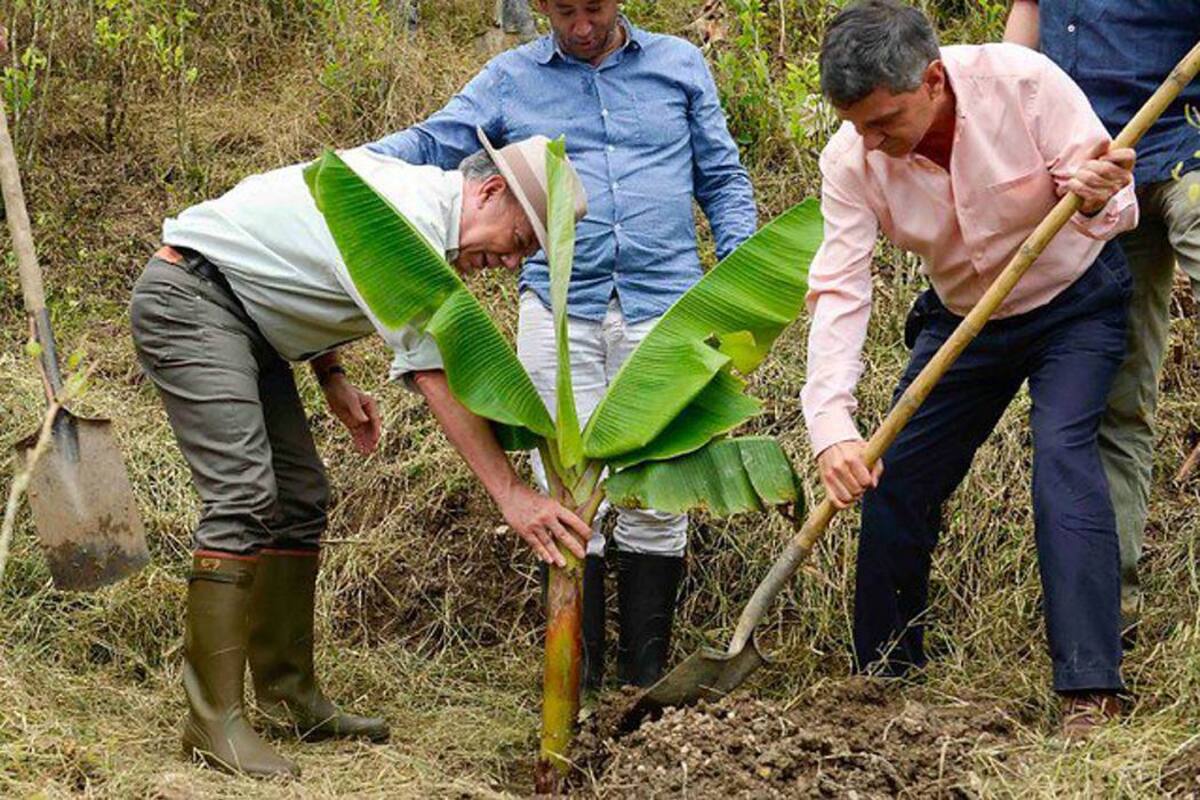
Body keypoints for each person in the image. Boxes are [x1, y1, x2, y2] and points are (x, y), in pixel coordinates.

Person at [130, 133, 591, 777]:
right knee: (241, 495)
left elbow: (302, 255)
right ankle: (211, 722)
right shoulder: (407, 214)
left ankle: (289, 697)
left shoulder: (414, 209)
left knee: (300, 497)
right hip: (192, 299)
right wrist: (511, 494)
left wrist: (331, 374)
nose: (512, 263)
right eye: (518, 242)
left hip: (248, 323)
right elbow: (433, 374)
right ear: (489, 190)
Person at [368, 0, 756, 692]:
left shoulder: (679, 65)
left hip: (666, 307)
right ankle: (578, 687)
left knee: (657, 501)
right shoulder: (511, 78)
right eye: (564, 10)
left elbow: (721, 180)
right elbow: (434, 141)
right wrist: (347, 176)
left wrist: (741, 284)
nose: (581, 25)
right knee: (567, 503)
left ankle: (644, 684)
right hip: (558, 310)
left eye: (595, 8)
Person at [802, 0, 1137, 736]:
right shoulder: (850, 158)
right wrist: (832, 426)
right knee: (893, 478)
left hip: (1073, 299)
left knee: (1061, 458)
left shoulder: (1023, 82)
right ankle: (883, 680)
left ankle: (1090, 688)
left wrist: (1095, 198)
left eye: (885, 121)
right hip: (965, 317)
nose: (872, 140)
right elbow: (840, 289)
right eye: (857, 125)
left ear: (932, 80)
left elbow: (1116, 198)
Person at [1004, 0, 1200, 645]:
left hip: (1188, 148)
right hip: (1093, 175)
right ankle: (1108, 610)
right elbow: (1024, 31)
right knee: (1117, 396)